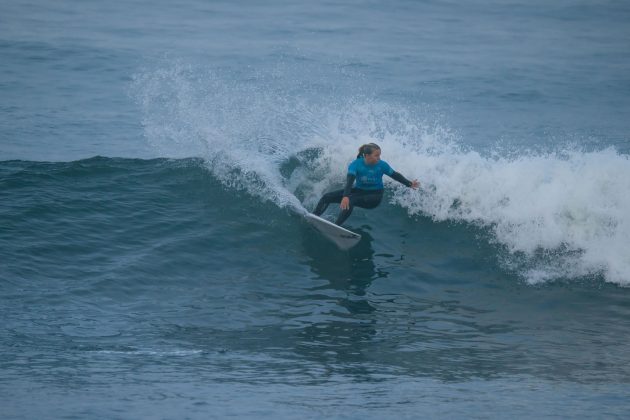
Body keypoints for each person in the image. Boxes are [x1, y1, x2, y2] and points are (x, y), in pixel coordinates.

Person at [313, 143, 419, 226]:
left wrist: (409, 184)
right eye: (376, 155)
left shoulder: (382, 165)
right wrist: (345, 196)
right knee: (327, 197)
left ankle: (336, 227)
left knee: (350, 201)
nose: (379, 158)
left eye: (379, 155)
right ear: (367, 156)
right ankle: (314, 217)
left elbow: (395, 175)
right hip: (359, 191)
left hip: (375, 197)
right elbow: (350, 181)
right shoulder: (356, 164)